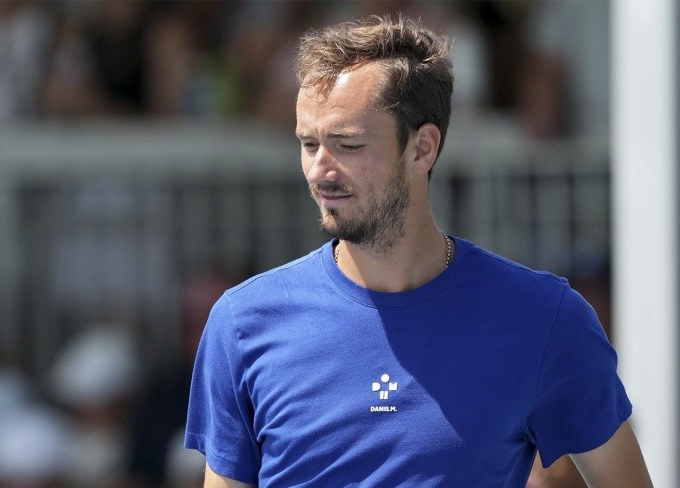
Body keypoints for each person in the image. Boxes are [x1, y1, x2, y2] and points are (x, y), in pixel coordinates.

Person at [184, 15, 653, 487]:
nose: (320, 171)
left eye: (348, 145)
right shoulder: (242, 323)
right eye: (309, 144)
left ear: (423, 148)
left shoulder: (544, 318)